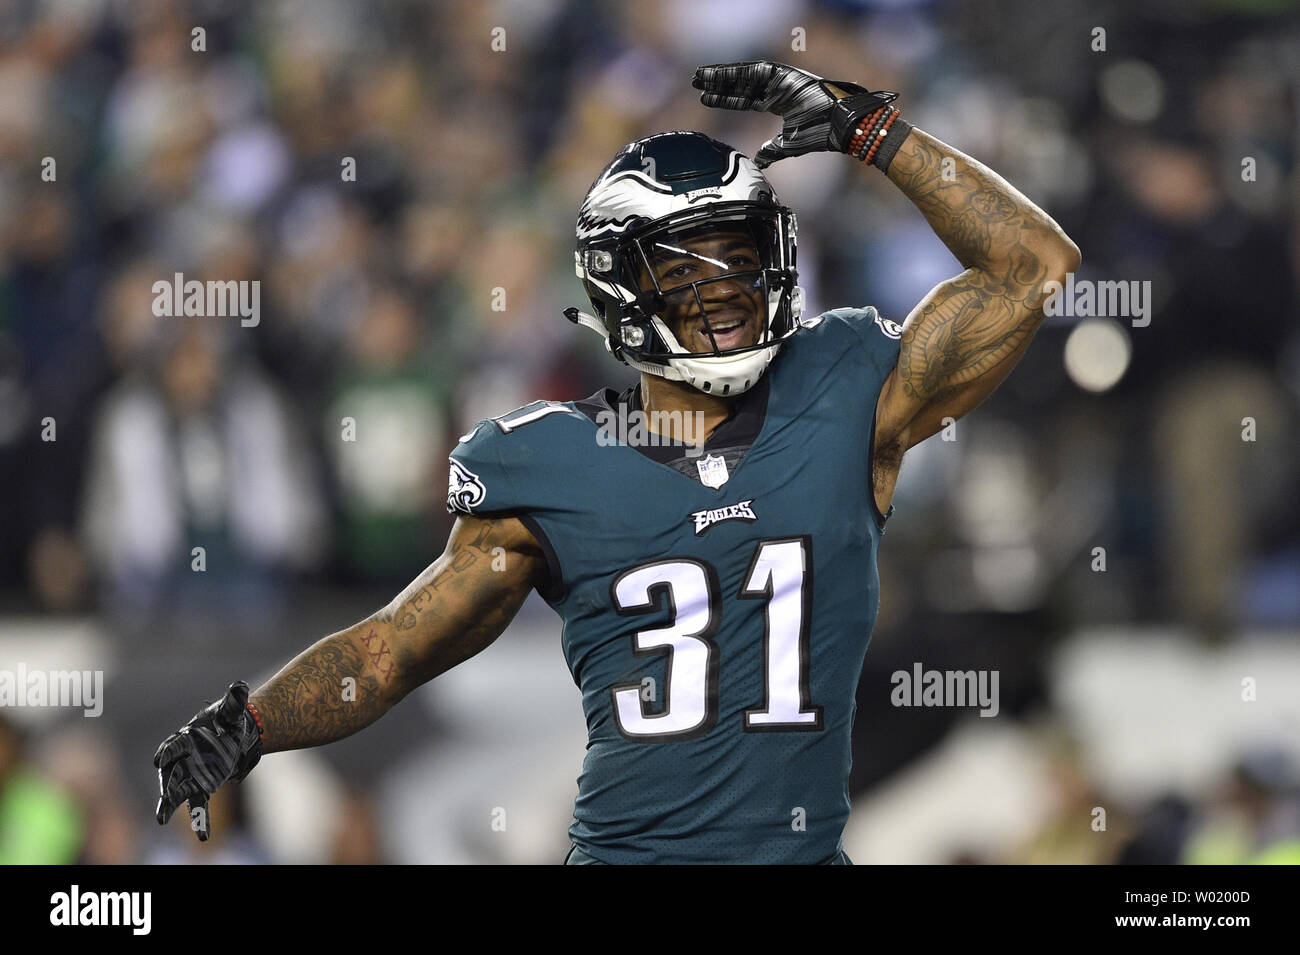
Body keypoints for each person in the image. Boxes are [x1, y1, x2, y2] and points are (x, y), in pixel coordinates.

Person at [154, 61, 1080, 864]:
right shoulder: (551, 461)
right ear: (620, 289)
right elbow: (392, 647)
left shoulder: (843, 392)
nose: (725, 296)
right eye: (688, 273)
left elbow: (1032, 264)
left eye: (740, 260)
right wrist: (251, 722)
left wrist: (873, 129)